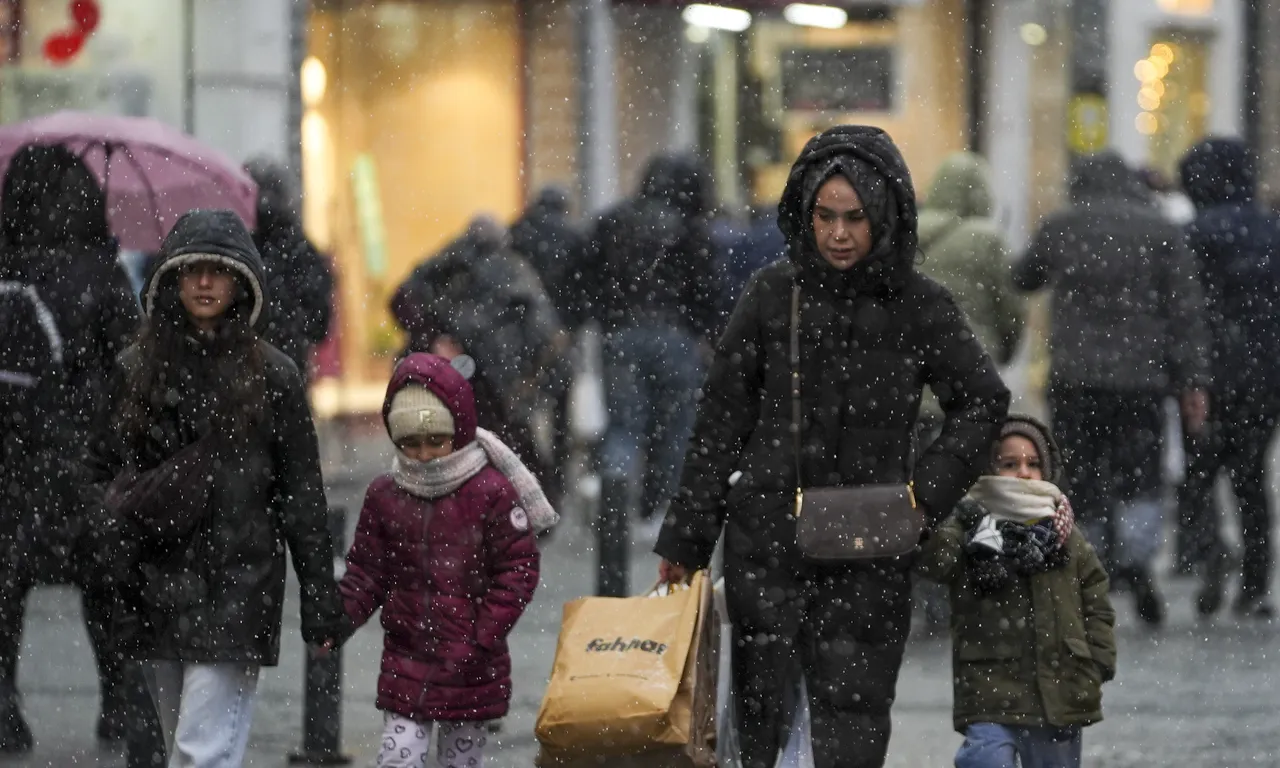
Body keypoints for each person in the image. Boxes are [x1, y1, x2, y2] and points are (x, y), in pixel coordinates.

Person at [654, 125, 1010, 768]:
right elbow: (719, 424)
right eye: (826, 216)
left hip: (869, 548)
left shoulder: (918, 305)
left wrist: (924, 497)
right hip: (769, 541)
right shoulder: (771, 294)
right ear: (805, 213)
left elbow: (983, 400)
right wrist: (685, 540)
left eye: (855, 218)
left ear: (885, 217)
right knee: (761, 732)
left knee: (852, 728)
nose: (839, 233)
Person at [83, 208, 349, 766]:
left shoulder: (272, 376)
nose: (204, 283)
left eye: (218, 271)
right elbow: (101, 474)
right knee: (190, 739)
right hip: (157, 586)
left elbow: (302, 494)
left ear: (240, 281)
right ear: (172, 280)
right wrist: (112, 553)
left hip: (238, 586)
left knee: (198, 750)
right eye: (192, 270)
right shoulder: (137, 369)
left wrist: (322, 603)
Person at [1015, 151, 1211, 625]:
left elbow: (1023, 277)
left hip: (1076, 377)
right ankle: (1138, 559)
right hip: (1141, 378)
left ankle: (1091, 564)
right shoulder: (1161, 230)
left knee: (1080, 473)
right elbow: (1184, 313)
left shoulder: (1064, 226)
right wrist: (1192, 381)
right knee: (1140, 471)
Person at [0, 143, 141, 750]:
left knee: (4, 598)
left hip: (9, 462)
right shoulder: (101, 273)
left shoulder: (4, 269)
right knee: (108, 591)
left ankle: (5, 712)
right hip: (86, 463)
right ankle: (120, 710)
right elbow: (134, 368)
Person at [339, 352, 541, 768]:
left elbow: (518, 570)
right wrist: (338, 619)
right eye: (411, 444)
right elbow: (366, 571)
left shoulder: (491, 492)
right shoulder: (385, 494)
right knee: (398, 758)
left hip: (472, 663)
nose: (425, 455)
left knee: (460, 761)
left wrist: (481, 635)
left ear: (460, 431)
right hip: (406, 655)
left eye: (436, 441)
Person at [915, 415, 1116, 768]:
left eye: (1033, 463)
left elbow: (1095, 596)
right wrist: (946, 520)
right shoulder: (967, 524)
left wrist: (1098, 658)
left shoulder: (1064, 530)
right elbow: (936, 563)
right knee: (985, 759)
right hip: (991, 687)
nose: (1023, 472)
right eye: (1009, 464)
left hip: (1060, 687)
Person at [915, 151, 1024, 633]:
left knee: (911, 495)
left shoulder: (907, 232)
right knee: (972, 493)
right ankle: (963, 589)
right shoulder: (987, 239)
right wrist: (1000, 348)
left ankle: (917, 590)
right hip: (966, 392)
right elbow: (1010, 311)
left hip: (908, 392)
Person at [587, 153, 721, 530]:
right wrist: (707, 334)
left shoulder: (613, 221)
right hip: (675, 337)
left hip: (621, 335)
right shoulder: (690, 229)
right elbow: (707, 289)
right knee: (674, 428)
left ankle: (613, 502)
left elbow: (588, 278)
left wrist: (603, 319)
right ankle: (657, 511)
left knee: (623, 426)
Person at [392, 216, 568, 501]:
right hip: (487, 377)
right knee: (499, 441)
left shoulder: (449, 265)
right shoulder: (501, 269)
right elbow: (541, 329)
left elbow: (405, 300)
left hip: (477, 376)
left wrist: (433, 341)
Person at [1177, 138, 1280, 618]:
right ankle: (1256, 580)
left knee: (1199, 472)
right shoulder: (1272, 229)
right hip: (1266, 375)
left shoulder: (1195, 233)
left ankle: (1210, 550)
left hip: (1209, 373)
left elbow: (1186, 309)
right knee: (1251, 475)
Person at [243, 157, 335, 379]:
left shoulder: (240, 246)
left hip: (243, 366)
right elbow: (320, 322)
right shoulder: (302, 249)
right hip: (290, 363)